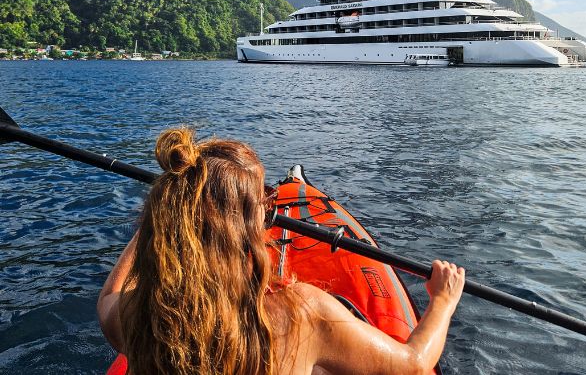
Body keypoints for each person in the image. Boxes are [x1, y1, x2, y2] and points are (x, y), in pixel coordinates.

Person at [98, 128, 465, 375]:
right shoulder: (303, 313)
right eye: (266, 198)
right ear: (243, 224)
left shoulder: (139, 315)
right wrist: (443, 301)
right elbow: (414, 363)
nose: (271, 206)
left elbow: (108, 298)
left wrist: (162, 221)